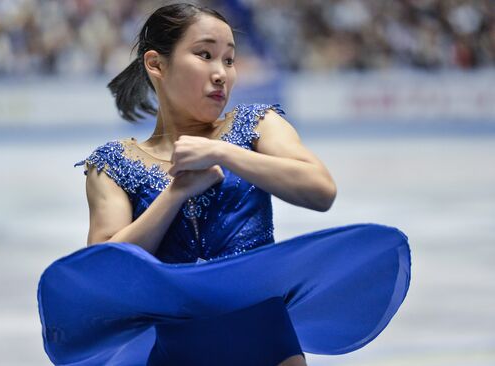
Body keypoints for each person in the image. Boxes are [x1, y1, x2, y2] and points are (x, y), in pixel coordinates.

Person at [37, 3, 411, 366]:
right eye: (205, 55)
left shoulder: (255, 124)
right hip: (177, 351)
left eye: (229, 60)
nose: (222, 73)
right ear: (156, 64)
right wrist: (175, 194)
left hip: (267, 344)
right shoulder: (112, 164)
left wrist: (224, 153)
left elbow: (320, 189)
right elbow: (104, 271)